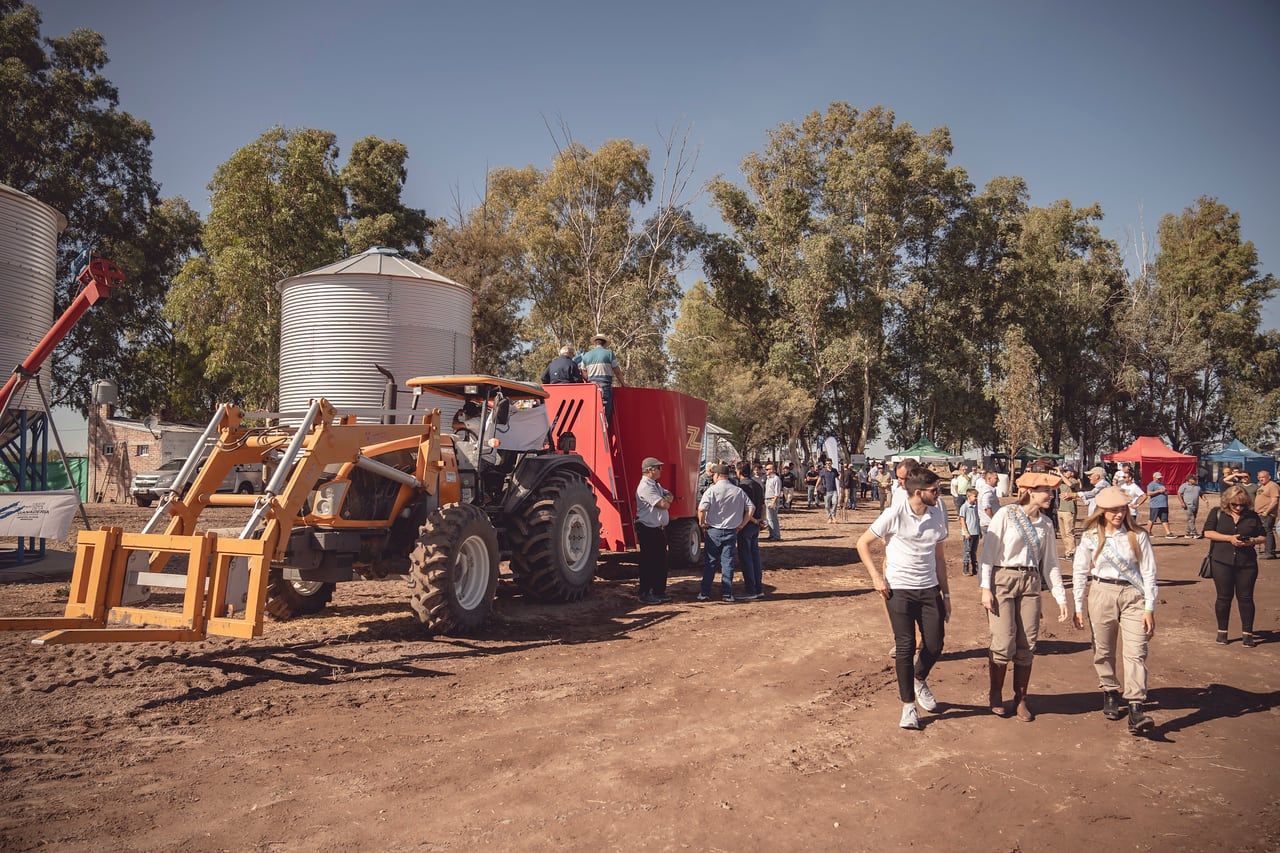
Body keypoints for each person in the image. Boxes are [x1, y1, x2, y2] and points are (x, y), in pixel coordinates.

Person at [855, 468, 952, 731]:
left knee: (935, 643)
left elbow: (940, 559)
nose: (939, 493)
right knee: (905, 646)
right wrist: (876, 577)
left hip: (929, 588)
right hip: (898, 590)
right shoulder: (895, 514)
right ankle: (908, 706)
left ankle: (919, 678)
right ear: (919, 492)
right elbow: (862, 543)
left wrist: (946, 594)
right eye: (935, 490)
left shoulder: (937, 515)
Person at [979, 472, 1069, 721]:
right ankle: (995, 694)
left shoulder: (1046, 524)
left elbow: (1050, 563)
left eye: (1051, 491)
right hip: (1003, 580)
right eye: (1046, 490)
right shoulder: (1006, 515)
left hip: (1031, 583)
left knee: (1027, 644)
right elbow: (988, 554)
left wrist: (1060, 597)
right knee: (1003, 642)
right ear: (1029, 491)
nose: (1051, 495)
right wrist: (985, 588)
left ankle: (1021, 699)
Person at [1071, 486, 1158, 735]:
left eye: (1122, 509)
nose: (1119, 514)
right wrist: (1078, 605)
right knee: (1103, 648)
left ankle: (1136, 706)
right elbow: (1079, 571)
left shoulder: (1138, 535)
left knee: (1136, 650)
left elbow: (1150, 572)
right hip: (1101, 593)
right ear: (1102, 511)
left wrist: (1150, 606)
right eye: (1113, 511)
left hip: (1134, 596)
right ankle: (1110, 690)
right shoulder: (1089, 536)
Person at [1202, 485, 1266, 646]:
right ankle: (1222, 632)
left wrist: (1253, 541)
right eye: (1234, 504)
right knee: (1223, 598)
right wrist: (1229, 538)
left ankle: (1247, 633)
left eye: (1242, 505)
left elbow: (1263, 536)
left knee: (1246, 598)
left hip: (1247, 563)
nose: (1238, 508)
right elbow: (1208, 532)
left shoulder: (1252, 516)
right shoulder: (1217, 513)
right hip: (1221, 561)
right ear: (1227, 502)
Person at [697, 464, 753, 602]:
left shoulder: (712, 490)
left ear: (716, 476)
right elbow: (751, 508)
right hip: (731, 531)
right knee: (727, 562)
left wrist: (702, 523)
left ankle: (705, 593)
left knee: (710, 562)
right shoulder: (738, 491)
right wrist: (741, 524)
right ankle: (727, 594)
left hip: (713, 530)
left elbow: (701, 508)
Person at [634, 457, 673, 604]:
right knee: (649, 562)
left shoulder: (655, 485)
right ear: (650, 470)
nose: (660, 470)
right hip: (647, 528)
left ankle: (658, 590)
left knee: (660, 561)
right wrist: (666, 500)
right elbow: (664, 504)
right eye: (658, 467)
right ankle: (645, 592)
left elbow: (669, 495)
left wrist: (667, 499)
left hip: (658, 528)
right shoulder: (645, 487)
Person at [736, 461, 766, 600]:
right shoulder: (758, 485)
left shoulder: (742, 487)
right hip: (756, 526)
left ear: (739, 471)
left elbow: (747, 509)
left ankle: (750, 590)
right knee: (755, 557)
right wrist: (761, 521)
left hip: (747, 525)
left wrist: (752, 520)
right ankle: (758, 588)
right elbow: (763, 505)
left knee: (746, 558)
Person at [578, 334, 624, 420]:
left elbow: (583, 371)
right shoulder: (609, 354)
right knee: (605, 414)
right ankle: (604, 432)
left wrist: (588, 381)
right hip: (605, 386)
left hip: (592, 387)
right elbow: (617, 371)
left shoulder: (586, 355)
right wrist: (623, 384)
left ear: (595, 344)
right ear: (604, 343)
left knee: (593, 412)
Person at [1057, 467, 1081, 558]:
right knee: (1063, 533)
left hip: (1069, 510)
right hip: (1061, 509)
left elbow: (1070, 485)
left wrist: (1060, 474)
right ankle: (1068, 551)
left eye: (1066, 471)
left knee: (1069, 532)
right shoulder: (1062, 481)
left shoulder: (1075, 481)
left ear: (1072, 473)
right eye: (1064, 471)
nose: (1065, 473)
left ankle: (1072, 552)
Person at [1254, 470, 1278, 559]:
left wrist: (1266, 512)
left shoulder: (1272, 486)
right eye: (1259, 477)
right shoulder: (1262, 486)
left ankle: (1270, 553)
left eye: (1263, 477)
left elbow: (1274, 500)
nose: (1261, 479)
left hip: (1267, 514)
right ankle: (1267, 551)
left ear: (1269, 477)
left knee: (1267, 532)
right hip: (1260, 513)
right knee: (1262, 532)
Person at [959, 488, 981, 576]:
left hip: (975, 532)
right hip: (969, 533)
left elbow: (977, 519)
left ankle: (975, 569)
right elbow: (962, 520)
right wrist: (966, 532)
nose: (976, 498)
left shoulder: (975, 506)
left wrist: (979, 531)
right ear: (969, 496)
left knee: (973, 551)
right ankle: (966, 569)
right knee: (967, 551)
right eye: (975, 496)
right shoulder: (964, 507)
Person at [1145, 471, 1174, 538]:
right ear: (1154, 478)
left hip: (1164, 505)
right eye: (1158, 478)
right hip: (1155, 505)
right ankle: (1148, 532)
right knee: (1152, 519)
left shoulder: (1162, 484)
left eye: (1160, 478)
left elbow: (1165, 492)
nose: (1159, 479)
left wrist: (1166, 492)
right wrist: (1158, 491)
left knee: (1165, 519)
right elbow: (1148, 493)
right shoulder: (1151, 484)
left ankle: (1168, 533)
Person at [1176, 474, 1202, 538]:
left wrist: (1205, 500)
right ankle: (1194, 533)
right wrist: (1182, 502)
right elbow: (1179, 494)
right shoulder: (1184, 486)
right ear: (1190, 480)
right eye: (1194, 479)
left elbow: (1201, 493)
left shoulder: (1198, 486)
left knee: (1192, 519)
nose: (1196, 480)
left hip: (1196, 505)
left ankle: (1188, 533)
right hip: (1188, 505)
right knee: (1191, 519)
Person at [763, 462, 783, 541]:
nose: (766, 470)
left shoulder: (776, 479)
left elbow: (777, 492)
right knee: (768, 519)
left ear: (773, 470)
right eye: (766, 469)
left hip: (772, 499)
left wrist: (773, 501)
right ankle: (771, 534)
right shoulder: (768, 478)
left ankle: (776, 536)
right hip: (767, 499)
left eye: (768, 469)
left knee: (773, 518)